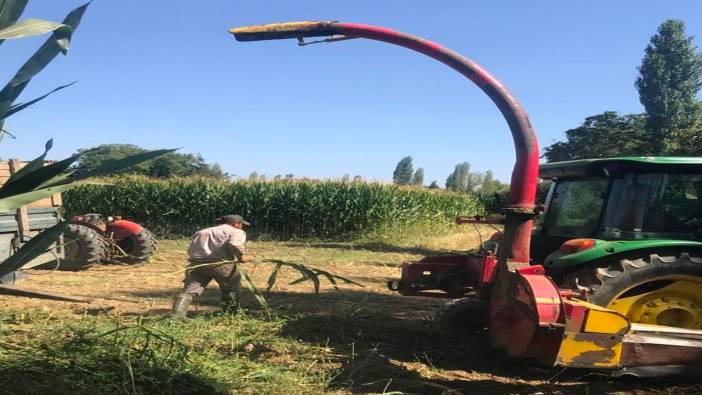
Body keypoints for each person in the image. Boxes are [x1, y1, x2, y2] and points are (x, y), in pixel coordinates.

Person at [171, 214, 254, 318]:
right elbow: (235, 244)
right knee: (231, 288)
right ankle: (232, 314)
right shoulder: (236, 231)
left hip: (197, 264)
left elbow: (191, 249)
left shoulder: (202, 231)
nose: (242, 227)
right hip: (221, 264)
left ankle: (176, 316)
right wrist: (242, 257)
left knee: (190, 291)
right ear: (236, 223)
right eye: (241, 224)